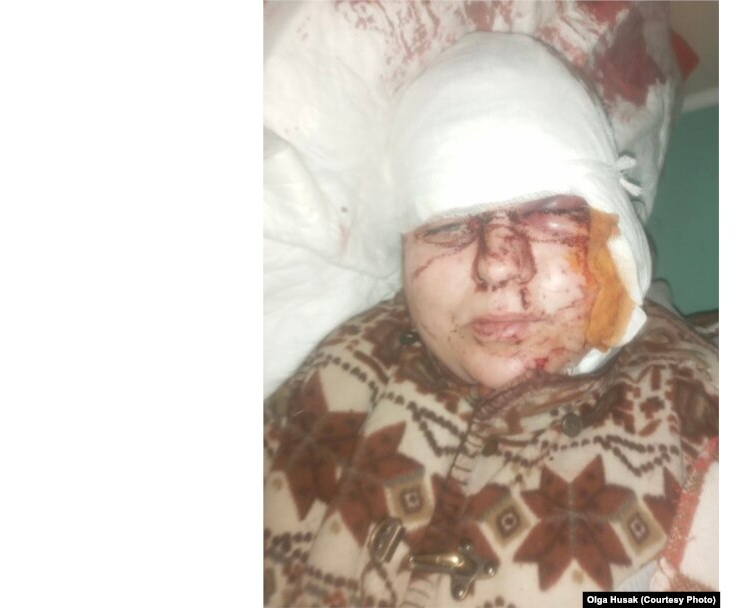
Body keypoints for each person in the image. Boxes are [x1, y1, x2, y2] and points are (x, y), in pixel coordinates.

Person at [264, 33, 718, 607]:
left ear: (614, 224)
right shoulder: (332, 377)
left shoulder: (704, 402)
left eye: (550, 212)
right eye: (449, 225)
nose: (498, 264)